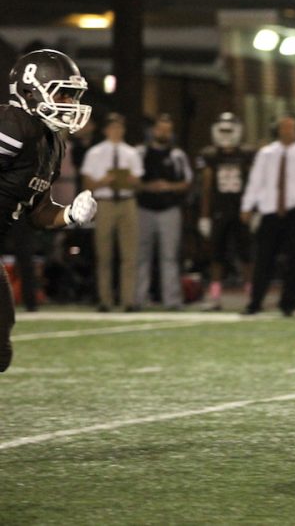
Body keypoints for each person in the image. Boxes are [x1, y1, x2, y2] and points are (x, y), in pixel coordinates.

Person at [0, 49, 98, 372]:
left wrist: (68, 214)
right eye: (63, 94)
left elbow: (38, 211)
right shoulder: (13, 124)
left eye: (72, 96)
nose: (69, 104)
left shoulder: (52, 144)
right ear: (30, 91)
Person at [241, 116, 295, 316]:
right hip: (270, 212)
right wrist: (247, 206)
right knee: (263, 259)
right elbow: (255, 181)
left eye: (292, 129)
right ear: (278, 131)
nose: (288, 132)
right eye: (284, 128)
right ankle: (255, 302)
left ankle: (289, 304)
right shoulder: (266, 154)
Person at [81, 113, 143, 312]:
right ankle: (105, 300)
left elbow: (139, 182)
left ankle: (128, 300)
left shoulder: (131, 153)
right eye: (112, 127)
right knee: (104, 253)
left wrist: (131, 181)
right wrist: (104, 181)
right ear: (106, 130)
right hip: (105, 202)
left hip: (127, 202)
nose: (116, 131)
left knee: (129, 254)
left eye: (119, 127)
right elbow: (87, 183)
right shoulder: (95, 153)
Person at [197, 112, 255, 311]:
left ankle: (251, 295)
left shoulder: (246, 154)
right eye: (222, 130)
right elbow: (206, 186)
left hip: (242, 210)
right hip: (219, 210)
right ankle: (215, 297)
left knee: (246, 255)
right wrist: (204, 215)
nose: (226, 134)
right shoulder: (210, 155)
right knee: (216, 256)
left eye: (229, 130)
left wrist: (254, 209)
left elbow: (253, 182)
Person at [135, 114, 193, 310]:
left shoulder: (177, 155)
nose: (164, 133)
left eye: (168, 130)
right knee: (142, 255)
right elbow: (130, 179)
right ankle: (138, 299)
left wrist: (168, 186)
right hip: (144, 208)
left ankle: (172, 300)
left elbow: (186, 182)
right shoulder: (140, 152)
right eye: (161, 129)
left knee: (169, 256)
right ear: (153, 131)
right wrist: (147, 187)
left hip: (169, 210)